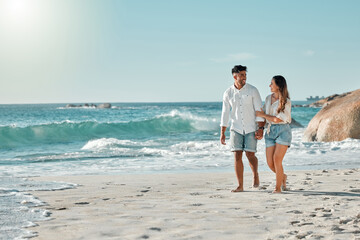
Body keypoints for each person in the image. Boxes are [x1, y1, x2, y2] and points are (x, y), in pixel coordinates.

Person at [220, 65, 265, 192]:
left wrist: (260, 128)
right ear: (235, 76)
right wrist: (222, 132)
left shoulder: (253, 90)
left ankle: (255, 174)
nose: (244, 77)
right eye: (241, 75)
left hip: (251, 128)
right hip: (236, 128)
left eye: (245, 75)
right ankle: (240, 185)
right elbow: (225, 113)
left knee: (250, 155)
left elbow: (259, 110)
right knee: (237, 156)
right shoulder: (228, 93)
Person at [255, 75, 291, 193]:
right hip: (270, 132)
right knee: (270, 163)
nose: (269, 86)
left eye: (271, 83)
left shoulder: (286, 101)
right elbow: (264, 115)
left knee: (277, 160)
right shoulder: (268, 98)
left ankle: (278, 188)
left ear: (278, 86)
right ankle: (283, 177)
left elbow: (277, 119)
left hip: (283, 131)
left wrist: (263, 115)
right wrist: (260, 128)